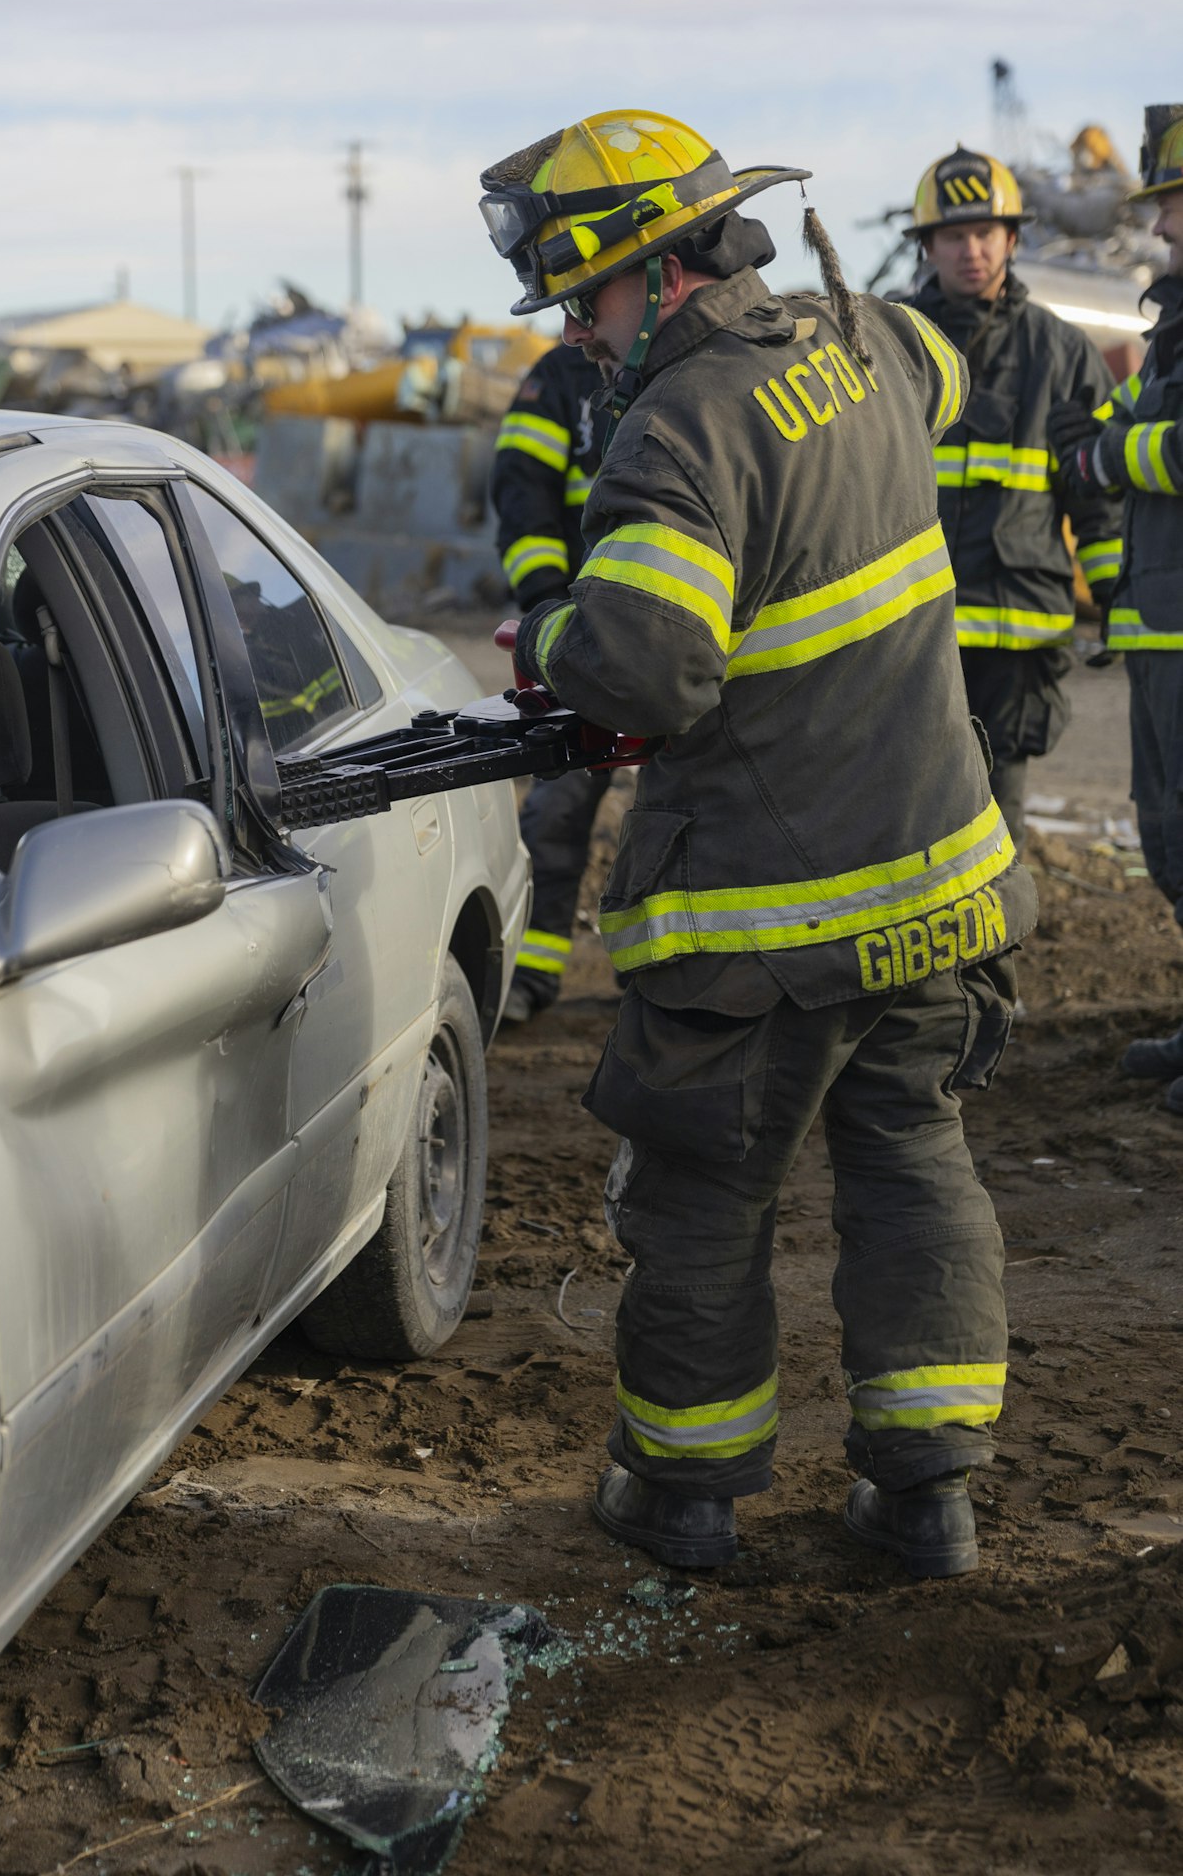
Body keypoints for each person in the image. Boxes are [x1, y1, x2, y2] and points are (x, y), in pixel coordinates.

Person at [477, 109, 1037, 1579]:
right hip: (936, 883)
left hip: (761, 922)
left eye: (585, 301)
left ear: (655, 276)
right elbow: (948, 372)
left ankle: (686, 1495)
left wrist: (544, 633)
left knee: (701, 1200)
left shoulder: (677, 426)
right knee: (912, 1159)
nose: (584, 339)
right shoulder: (868, 341)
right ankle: (926, 1501)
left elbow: (646, 671)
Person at [903, 146, 1119, 849]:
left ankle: (997, 962)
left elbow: (1096, 496)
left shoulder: (1061, 354)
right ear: (929, 246)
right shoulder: (890, 347)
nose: (972, 250)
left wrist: (1117, 595)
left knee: (1001, 837)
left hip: (1017, 643)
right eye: (956, 235)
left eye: (986, 233)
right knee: (904, 824)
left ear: (1013, 240)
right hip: (908, 635)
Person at [1050, 104, 1183, 1114]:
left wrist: (1104, 457)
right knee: (1166, 836)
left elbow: (1159, 451)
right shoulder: (1169, 323)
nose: (1163, 228)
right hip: (1154, 622)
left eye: (1175, 205)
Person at [491, 346, 613, 1019]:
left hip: (695, 634)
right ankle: (530, 973)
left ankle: (672, 976)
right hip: (584, 636)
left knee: (693, 812)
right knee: (559, 808)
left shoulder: (703, 362)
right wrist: (548, 602)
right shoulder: (564, 377)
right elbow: (521, 489)